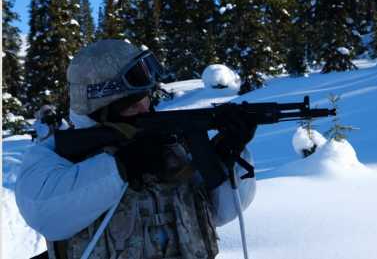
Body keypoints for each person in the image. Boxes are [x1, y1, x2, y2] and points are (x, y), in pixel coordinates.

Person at [16, 39, 257, 259]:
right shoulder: (54, 155)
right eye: (132, 105)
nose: (145, 109)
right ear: (100, 110)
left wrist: (226, 154)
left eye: (146, 99)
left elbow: (222, 212)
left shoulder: (170, 144)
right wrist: (121, 166)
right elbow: (45, 213)